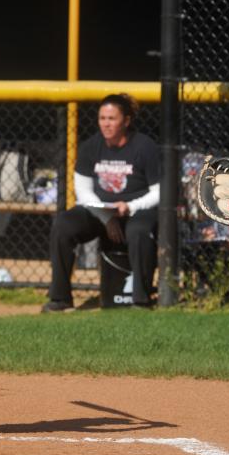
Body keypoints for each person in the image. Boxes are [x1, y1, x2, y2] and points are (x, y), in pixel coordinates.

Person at [43, 93, 160, 312]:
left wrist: (130, 207)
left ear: (126, 121)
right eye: (102, 118)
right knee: (64, 224)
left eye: (112, 119)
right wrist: (106, 217)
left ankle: (141, 301)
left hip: (136, 209)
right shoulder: (91, 147)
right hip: (100, 212)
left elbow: (158, 192)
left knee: (139, 231)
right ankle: (60, 299)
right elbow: (83, 191)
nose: (106, 124)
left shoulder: (145, 146)